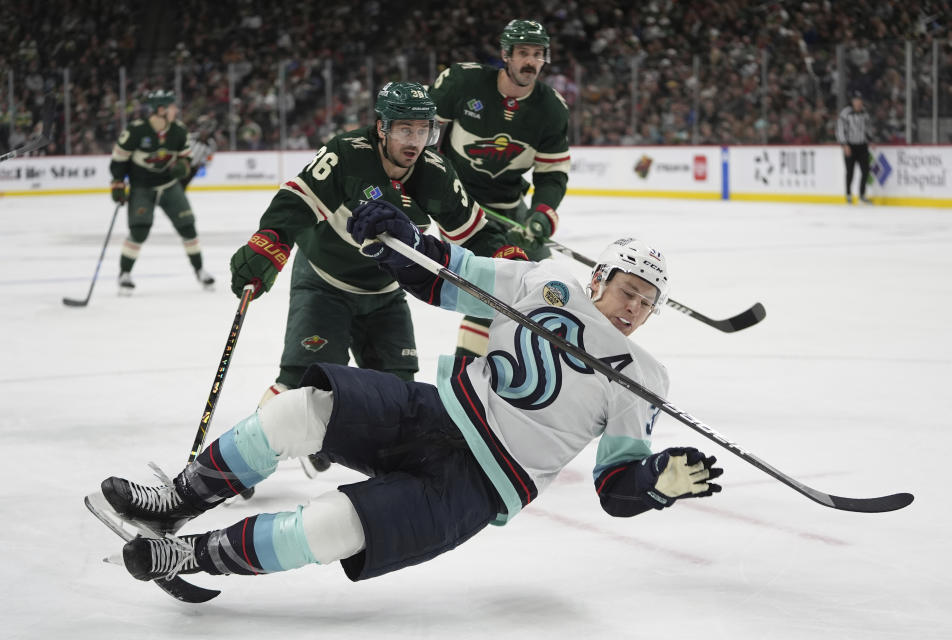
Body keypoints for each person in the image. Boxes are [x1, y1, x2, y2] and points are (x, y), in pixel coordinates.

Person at [97, 198, 722, 585]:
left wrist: (655, 483)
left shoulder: (641, 376)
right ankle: (175, 498)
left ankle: (191, 556)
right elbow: (456, 278)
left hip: (479, 485)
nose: (634, 307)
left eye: (648, 301)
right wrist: (402, 243)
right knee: (299, 409)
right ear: (600, 276)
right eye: (628, 288)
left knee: (331, 526)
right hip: (437, 412)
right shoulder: (550, 280)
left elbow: (616, 488)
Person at [227, 81, 521, 476]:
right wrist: (270, 243)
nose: (415, 141)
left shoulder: (434, 173)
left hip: (384, 292)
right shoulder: (346, 154)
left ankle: (373, 471)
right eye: (404, 130)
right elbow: (297, 200)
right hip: (324, 282)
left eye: (423, 131)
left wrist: (509, 260)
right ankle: (234, 465)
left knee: (397, 393)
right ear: (381, 127)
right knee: (301, 385)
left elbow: (474, 230)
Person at [428, 19, 571, 358]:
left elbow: (552, 173)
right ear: (506, 55)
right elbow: (423, 136)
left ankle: (532, 364)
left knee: (548, 283)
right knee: (492, 287)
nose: (530, 62)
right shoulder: (463, 82)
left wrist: (541, 214)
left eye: (538, 54)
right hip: (460, 205)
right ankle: (465, 376)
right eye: (523, 52)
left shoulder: (551, 108)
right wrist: (430, 189)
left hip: (509, 206)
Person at [109, 90, 215, 293]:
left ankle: (200, 270)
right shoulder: (136, 130)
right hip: (142, 187)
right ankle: (124, 274)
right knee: (139, 230)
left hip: (168, 185)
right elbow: (119, 160)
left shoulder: (178, 130)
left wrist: (182, 167)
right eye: (172, 107)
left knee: (188, 227)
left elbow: (185, 157)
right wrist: (117, 184)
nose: (176, 110)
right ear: (161, 110)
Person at [837, 90, 872, 204]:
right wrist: (844, 145)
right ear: (852, 101)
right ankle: (848, 194)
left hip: (862, 145)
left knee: (865, 171)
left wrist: (870, 139)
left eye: (860, 100)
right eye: (856, 100)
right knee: (850, 172)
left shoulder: (865, 113)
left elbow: (868, 129)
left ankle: (862, 194)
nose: (858, 103)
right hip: (850, 146)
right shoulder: (845, 113)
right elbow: (840, 130)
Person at [179, 115, 218, 189]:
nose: (203, 132)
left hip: (193, 168)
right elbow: (181, 147)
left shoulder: (211, 144)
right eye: (202, 129)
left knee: (183, 187)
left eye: (206, 130)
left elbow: (209, 158)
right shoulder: (191, 137)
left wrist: (203, 164)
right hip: (183, 164)